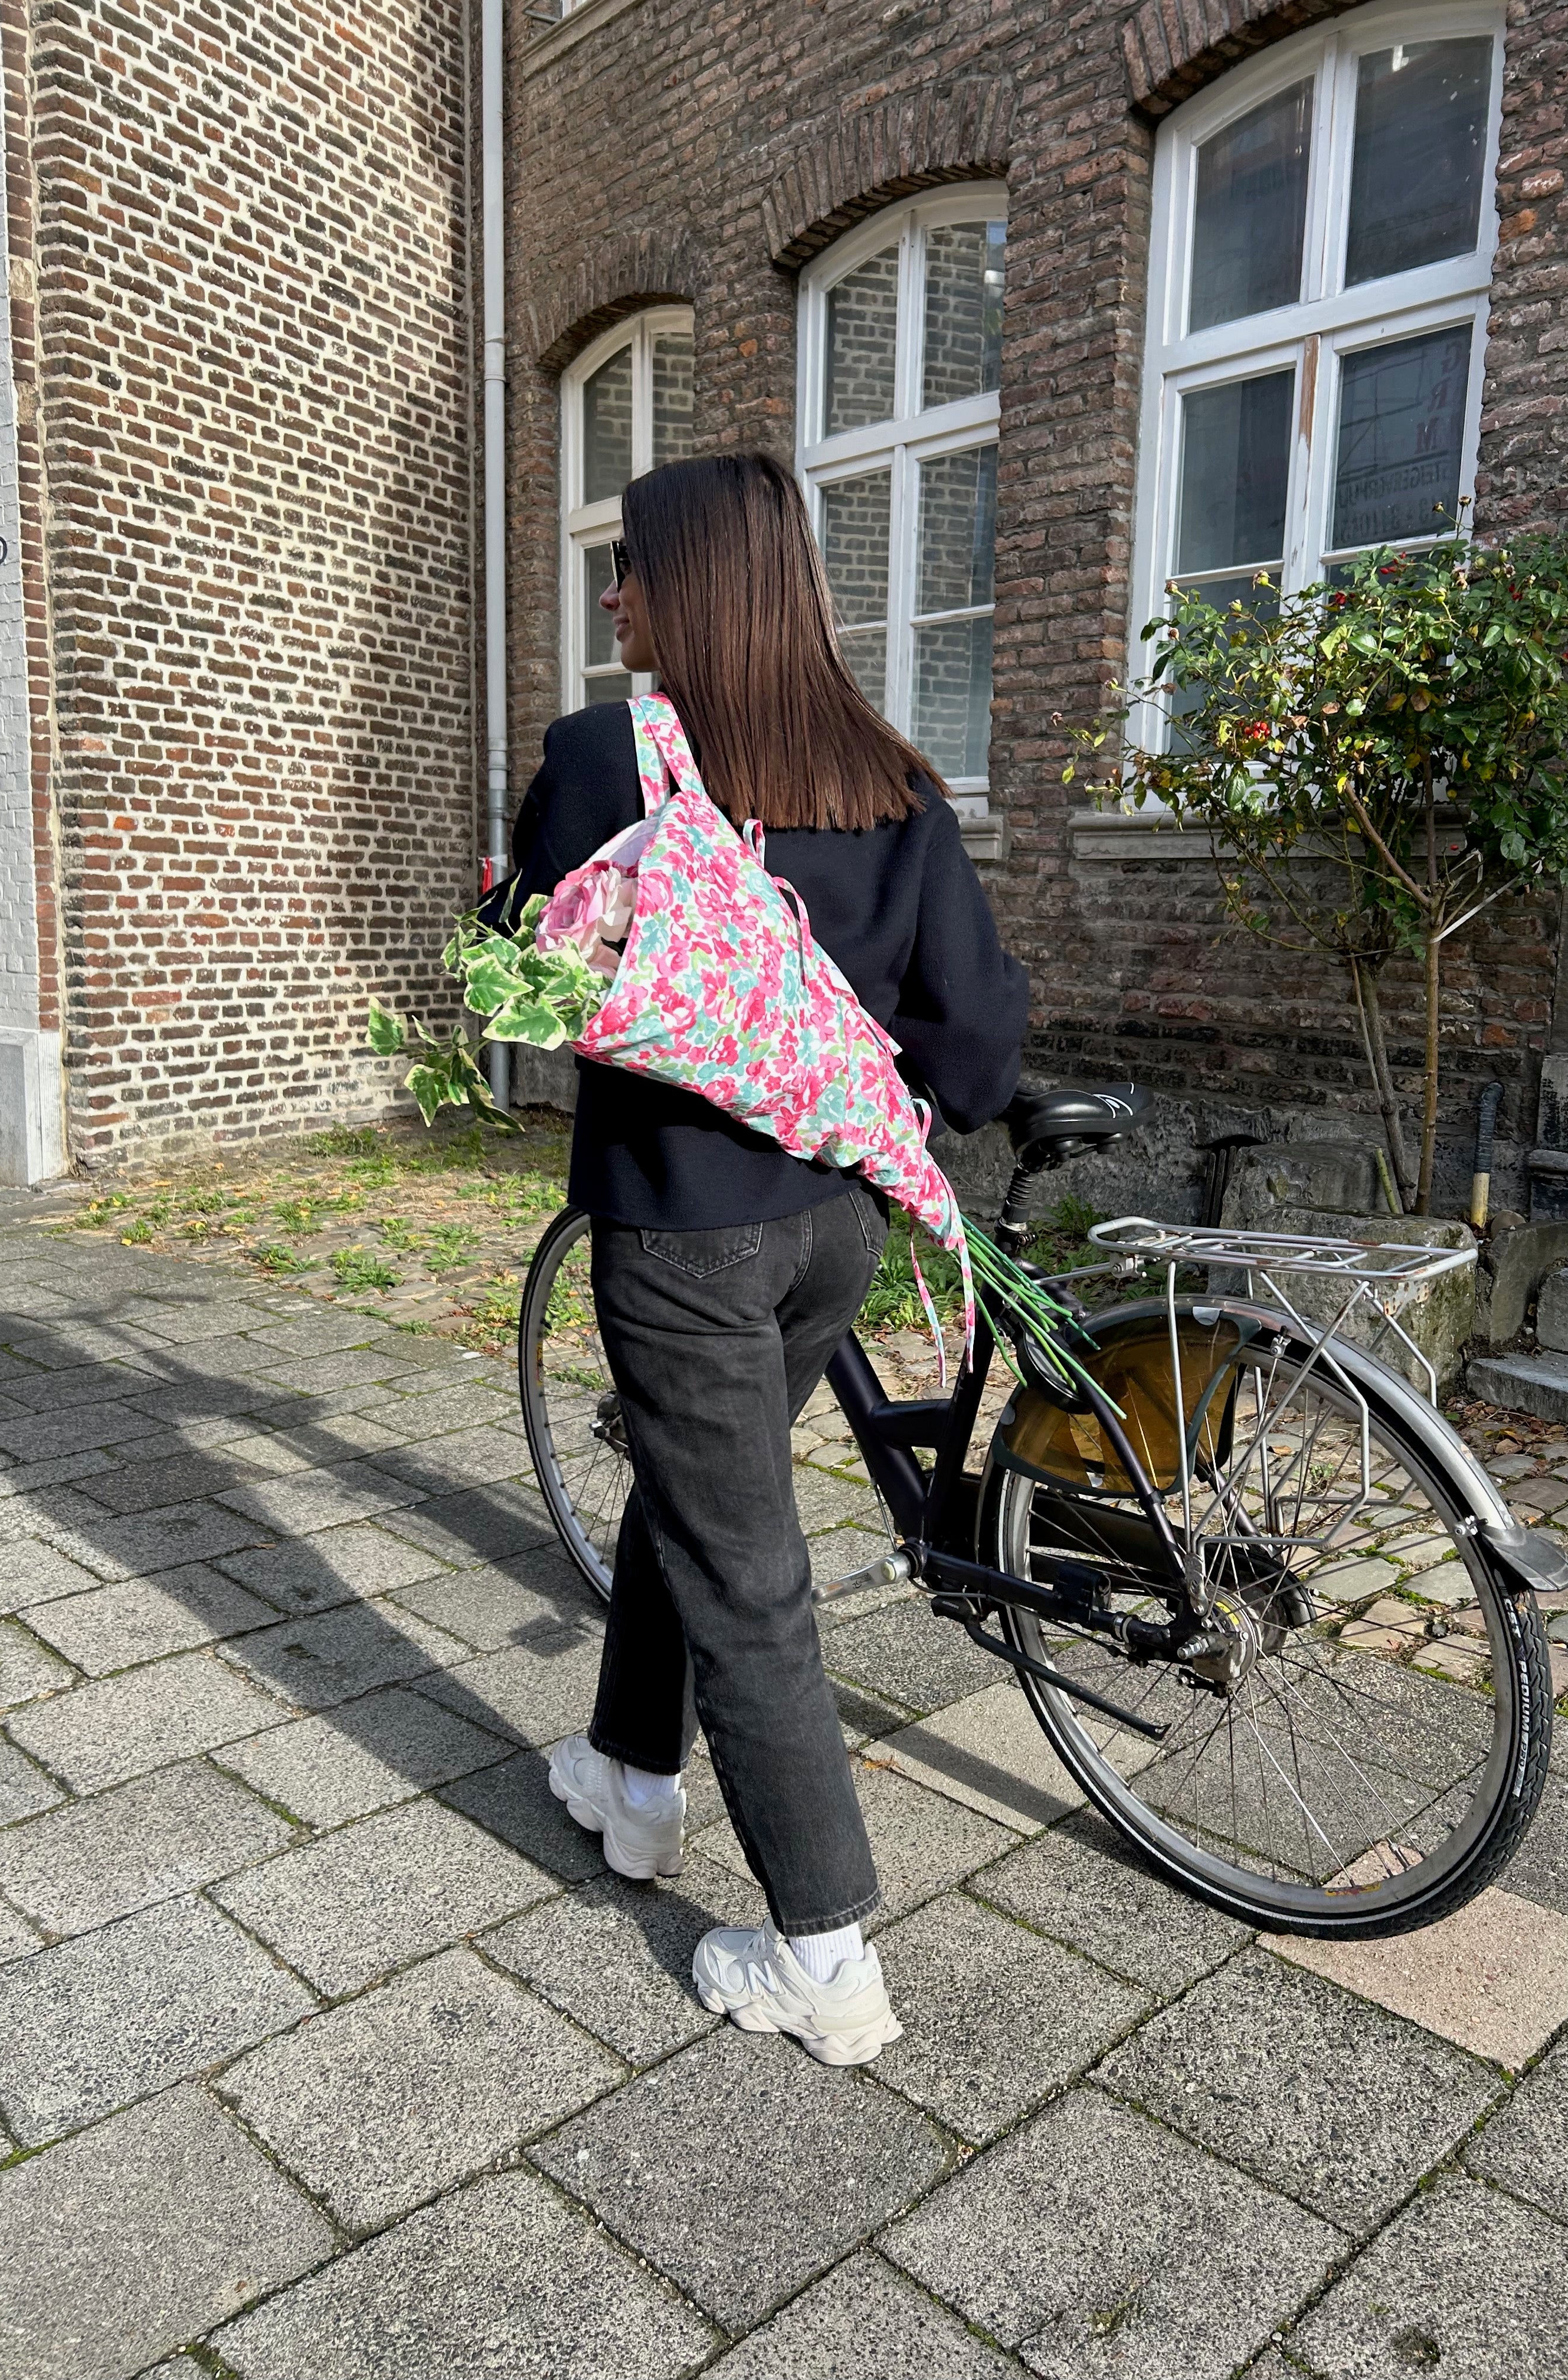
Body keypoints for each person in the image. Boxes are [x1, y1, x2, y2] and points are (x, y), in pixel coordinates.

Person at [492, 451, 1027, 2064]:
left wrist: (518, 921)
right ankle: (630, 1777)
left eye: (631, 566)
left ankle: (825, 1960)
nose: (612, 596)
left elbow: (522, 987)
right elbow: (982, 1051)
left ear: (692, 588)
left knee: (747, 1569)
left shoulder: (605, 758)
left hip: (681, 1237)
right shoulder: (891, 780)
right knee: (693, 1490)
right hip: (837, 1233)